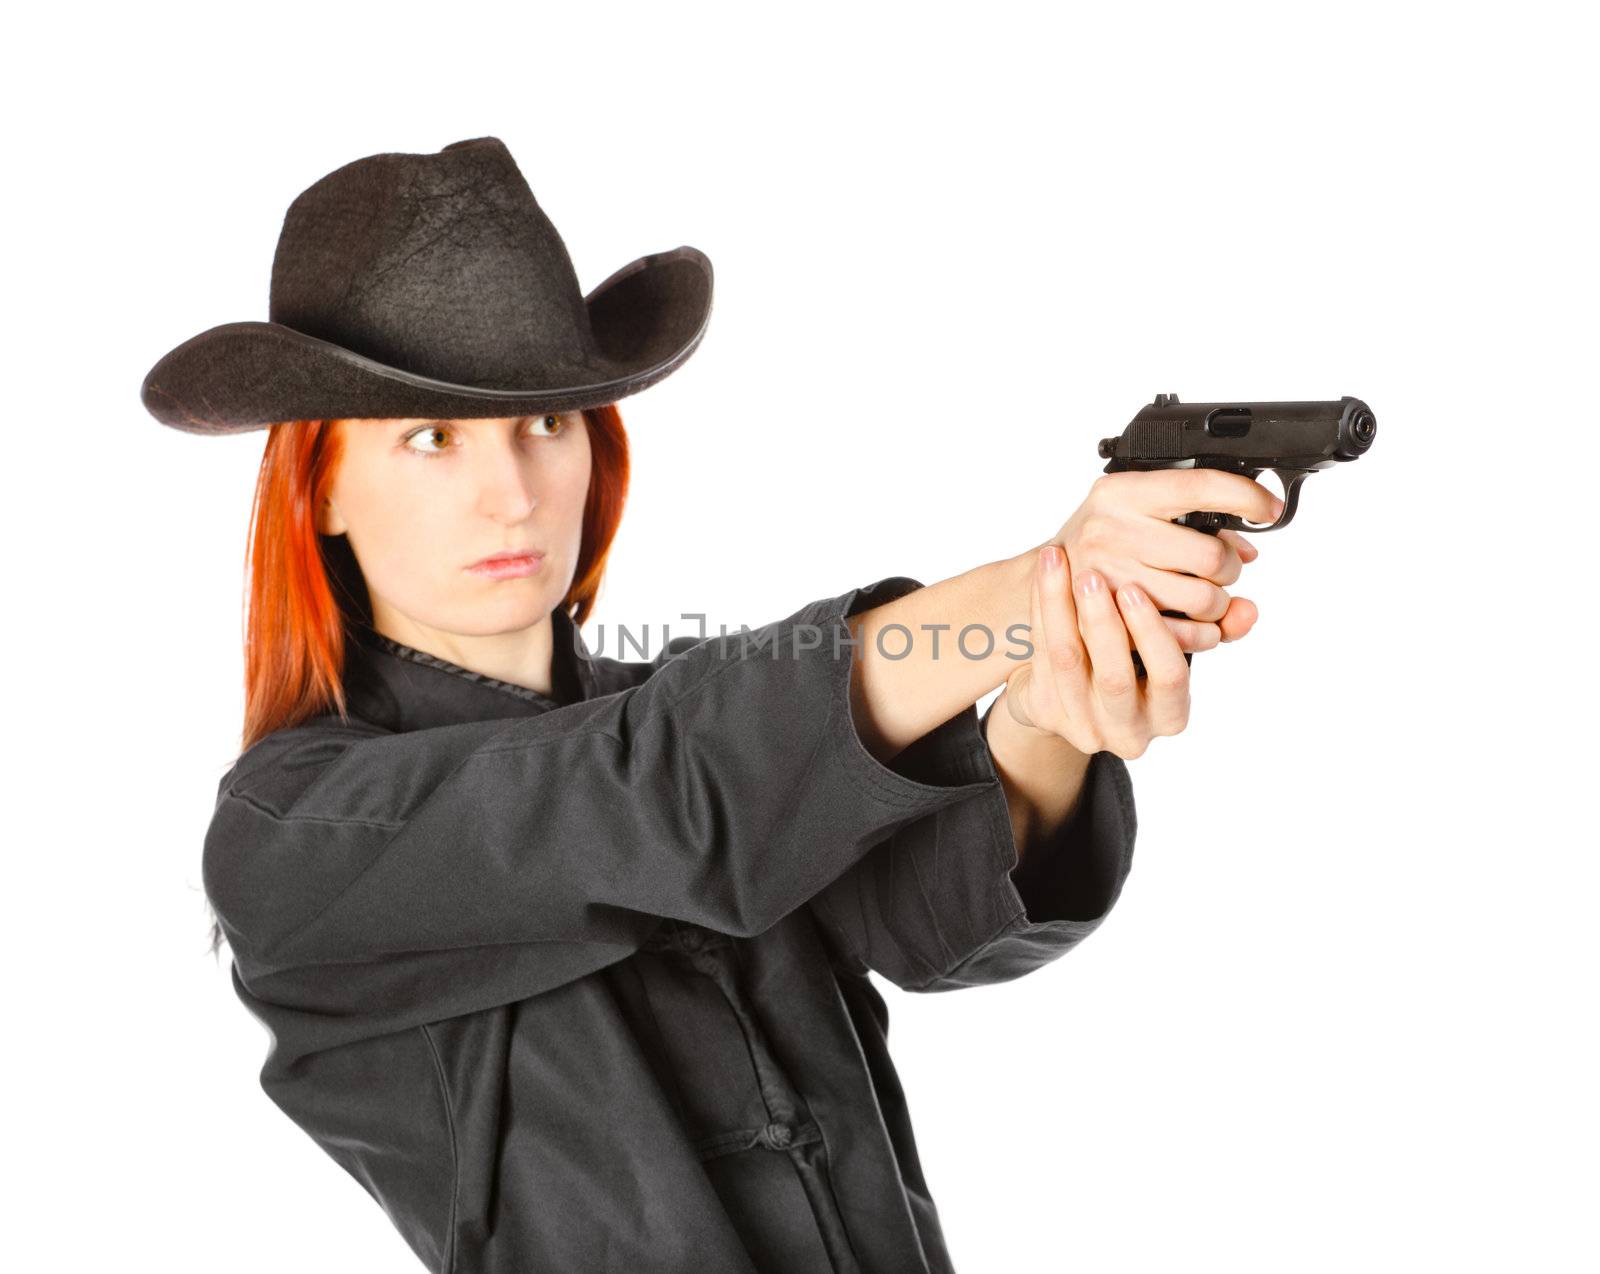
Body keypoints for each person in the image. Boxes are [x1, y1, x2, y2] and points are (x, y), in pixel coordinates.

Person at [142, 136, 1273, 1273]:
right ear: (321, 486)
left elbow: (929, 924)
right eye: (431, 438)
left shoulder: (707, 712)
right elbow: (658, 791)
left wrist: (1048, 715)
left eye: (544, 423)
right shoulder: (296, 833)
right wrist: (1033, 592)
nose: (512, 493)